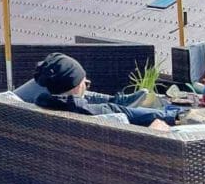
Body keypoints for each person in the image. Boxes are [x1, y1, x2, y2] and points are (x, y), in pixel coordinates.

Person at [32, 53, 179, 131]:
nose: (87, 85)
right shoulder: (94, 113)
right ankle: (118, 101)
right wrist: (154, 132)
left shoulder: (39, 104)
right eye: (86, 83)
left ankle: (118, 100)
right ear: (76, 85)